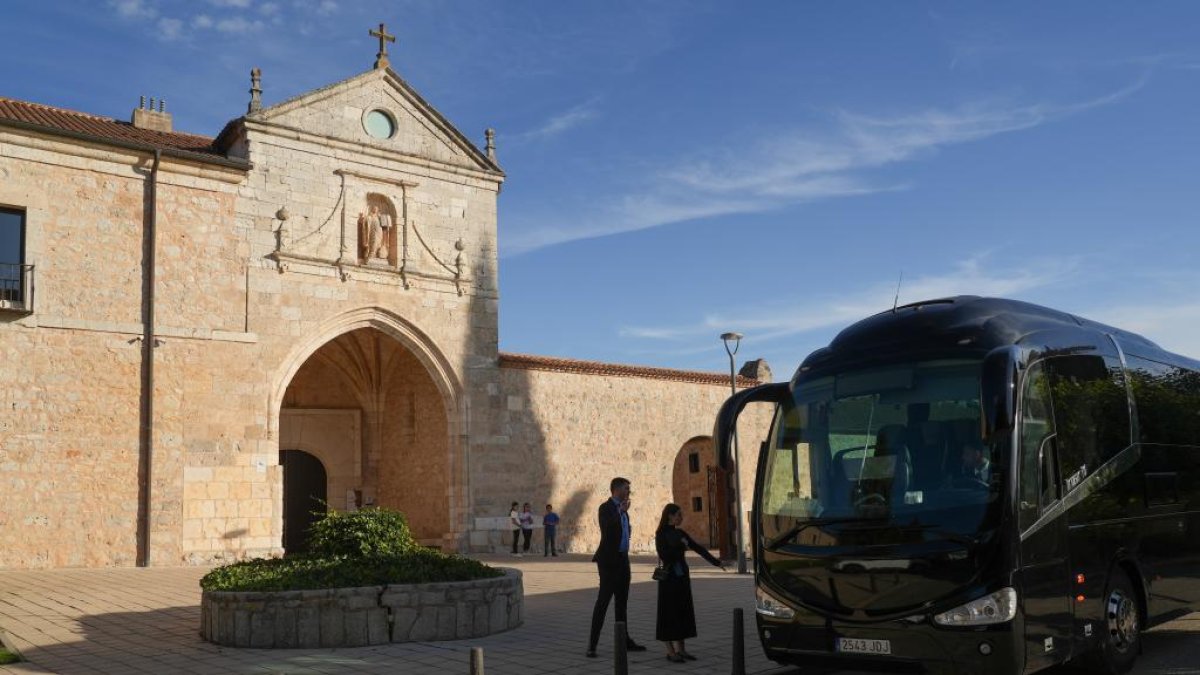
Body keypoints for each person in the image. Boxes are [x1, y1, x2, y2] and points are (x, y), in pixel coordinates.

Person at [655, 503, 725, 663]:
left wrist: (716, 562)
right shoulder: (661, 534)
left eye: (681, 515)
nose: (681, 518)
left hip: (681, 578)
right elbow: (665, 556)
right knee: (668, 614)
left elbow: (698, 548)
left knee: (682, 611)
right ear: (670, 516)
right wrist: (681, 547)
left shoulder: (680, 532)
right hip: (669, 580)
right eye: (678, 515)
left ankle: (682, 649)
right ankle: (671, 652)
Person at [587, 477, 647, 658]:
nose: (629, 492)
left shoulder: (624, 511)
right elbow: (607, 527)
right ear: (617, 489)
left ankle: (624, 640)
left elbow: (621, 530)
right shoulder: (605, 508)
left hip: (623, 560)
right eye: (627, 488)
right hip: (608, 562)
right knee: (603, 602)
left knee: (622, 604)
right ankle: (592, 645)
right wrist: (620, 512)